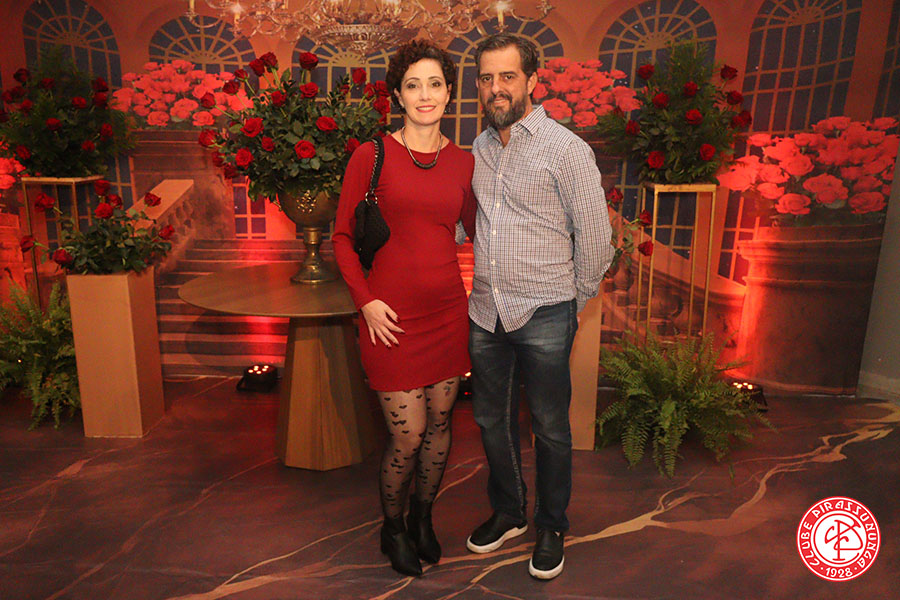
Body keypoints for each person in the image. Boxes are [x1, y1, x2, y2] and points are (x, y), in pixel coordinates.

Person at [464, 33, 614, 580]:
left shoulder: (566, 149)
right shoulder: (478, 149)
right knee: (490, 420)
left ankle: (551, 524)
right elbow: (469, 224)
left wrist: (571, 301)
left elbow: (596, 239)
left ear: (531, 80)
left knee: (550, 426)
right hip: (486, 310)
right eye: (486, 78)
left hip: (547, 310)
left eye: (507, 76)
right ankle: (508, 511)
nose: (496, 88)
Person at [332, 40, 476, 578]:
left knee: (440, 425)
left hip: (447, 313)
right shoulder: (371, 156)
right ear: (397, 94)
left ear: (449, 93)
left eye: (434, 84)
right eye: (413, 85)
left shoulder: (464, 162)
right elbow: (342, 238)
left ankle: (422, 517)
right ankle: (392, 527)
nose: (425, 94)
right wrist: (366, 302)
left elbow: (478, 231)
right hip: (388, 320)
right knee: (408, 435)